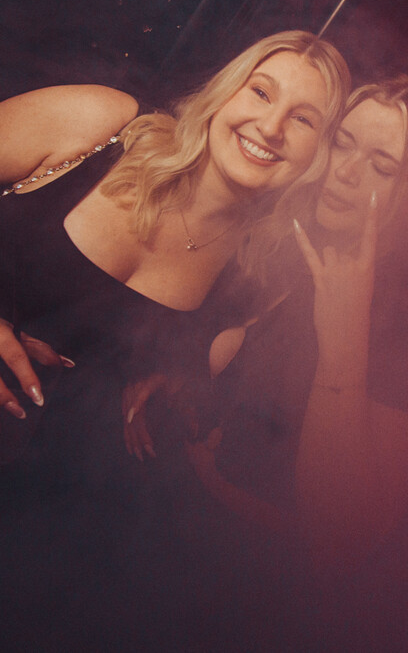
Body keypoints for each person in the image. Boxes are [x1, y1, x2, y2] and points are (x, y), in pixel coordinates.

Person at [123, 74, 408, 649]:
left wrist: (345, 339)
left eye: (382, 166)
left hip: (246, 601)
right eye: (342, 143)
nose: (345, 173)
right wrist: (175, 377)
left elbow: (337, 547)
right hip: (154, 533)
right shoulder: (293, 238)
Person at [0, 30, 350, 439]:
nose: (272, 127)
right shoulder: (106, 123)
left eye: (303, 119)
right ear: (225, 92)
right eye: (260, 92)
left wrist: (167, 386)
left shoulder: (249, 275)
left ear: (319, 153)